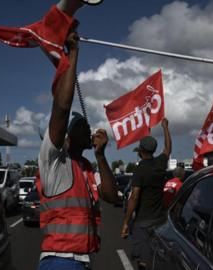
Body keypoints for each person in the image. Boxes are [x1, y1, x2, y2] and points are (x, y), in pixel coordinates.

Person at [36, 30, 117, 270]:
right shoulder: (53, 160)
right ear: (65, 137)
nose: (89, 129)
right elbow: (61, 110)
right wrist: (72, 54)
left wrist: (101, 155)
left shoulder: (85, 166)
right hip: (60, 262)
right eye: (81, 126)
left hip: (78, 261)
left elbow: (112, 197)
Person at [121, 118, 172, 270]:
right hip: (159, 219)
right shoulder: (160, 163)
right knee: (155, 256)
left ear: (141, 150)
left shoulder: (140, 169)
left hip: (143, 222)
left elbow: (134, 197)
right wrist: (165, 127)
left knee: (143, 260)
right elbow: (168, 148)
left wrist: (125, 221)